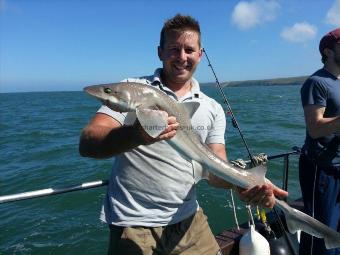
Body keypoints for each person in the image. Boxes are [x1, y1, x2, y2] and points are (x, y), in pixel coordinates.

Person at [79, 14, 287, 255]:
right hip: (134, 224)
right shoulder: (131, 87)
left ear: (200, 54)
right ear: (160, 52)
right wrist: (137, 135)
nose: (181, 57)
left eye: (189, 49)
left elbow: (214, 171)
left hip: (189, 221)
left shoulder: (211, 108)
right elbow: (88, 142)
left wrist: (243, 185)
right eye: (173, 49)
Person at [299, 27, 340, 255]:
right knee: (321, 234)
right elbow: (315, 129)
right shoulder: (316, 82)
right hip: (321, 169)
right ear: (329, 50)